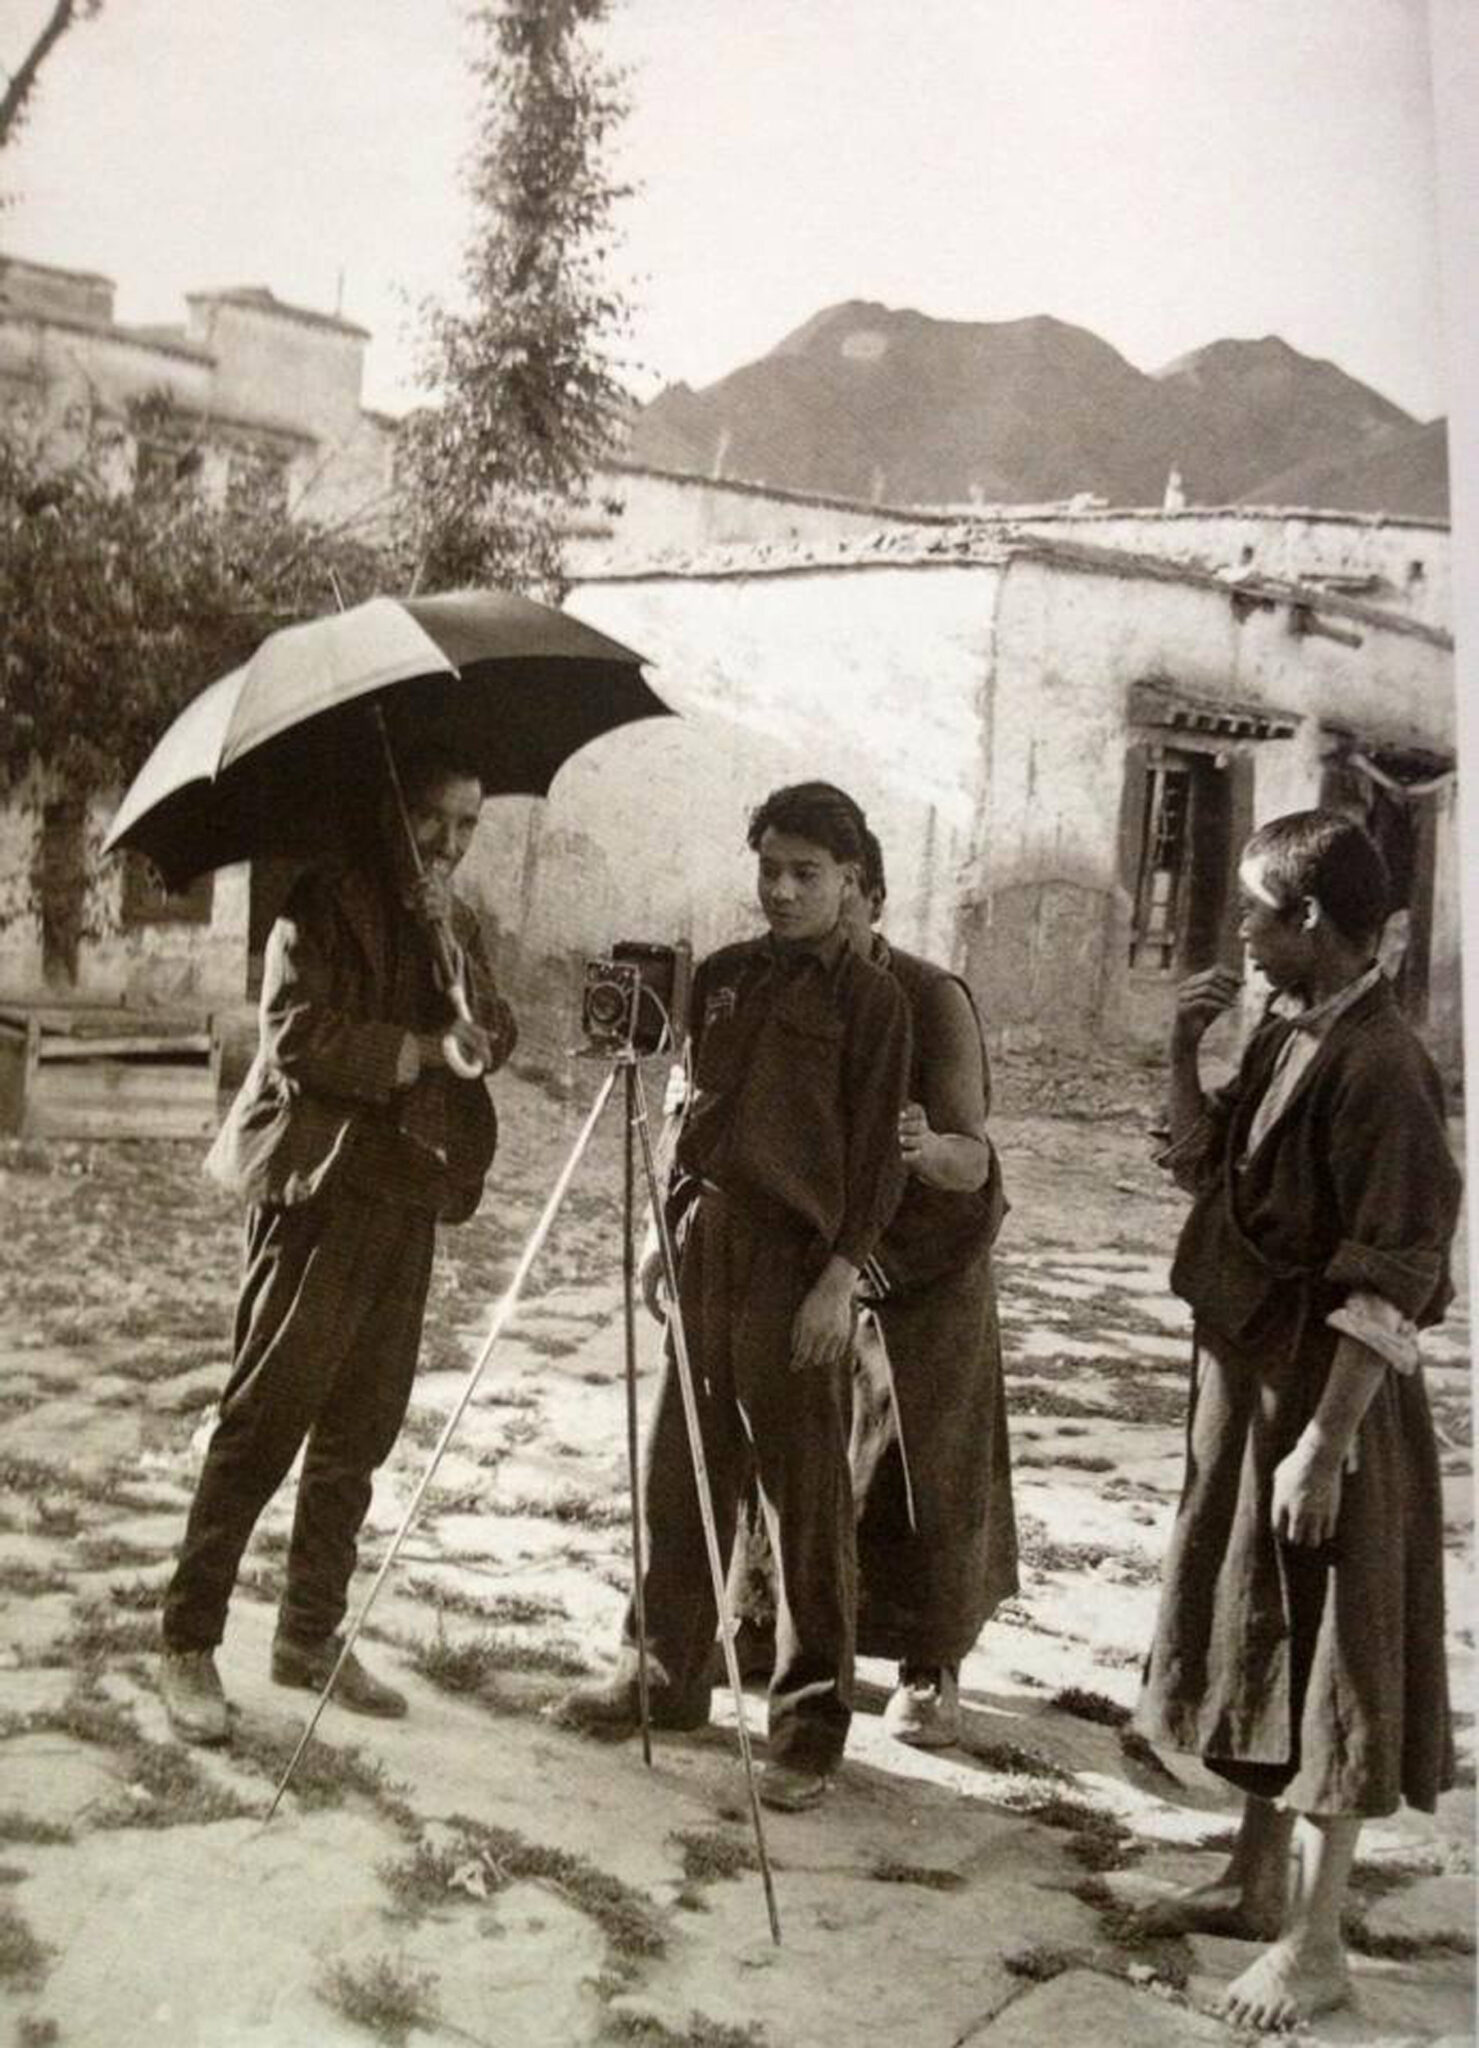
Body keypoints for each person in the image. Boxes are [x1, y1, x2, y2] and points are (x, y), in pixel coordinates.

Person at [1132, 809, 1462, 2031]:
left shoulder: (1385, 1067)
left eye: (1257, 915)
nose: (1244, 936)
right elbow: (1202, 1162)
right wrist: (1182, 1047)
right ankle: (1252, 1873)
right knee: (1258, 1617)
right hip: (1256, 1383)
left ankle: (1319, 1941)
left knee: (1337, 1649)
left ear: (1310, 923)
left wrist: (1326, 1441)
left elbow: (1396, 1279)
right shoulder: (1286, 1030)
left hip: (1334, 1407)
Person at [556, 781, 912, 1811]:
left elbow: (879, 1163)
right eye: (770, 868)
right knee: (683, 1467)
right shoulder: (723, 978)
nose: (784, 889)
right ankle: (665, 1674)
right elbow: (693, 1115)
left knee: (803, 1501)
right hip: (707, 1247)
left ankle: (807, 1727)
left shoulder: (872, 1002)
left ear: (852, 880)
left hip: (800, 1269)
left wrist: (837, 1283)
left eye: (807, 872)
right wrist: (661, 1234)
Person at [157, 751, 517, 1745]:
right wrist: (413, 1051)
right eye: (435, 822)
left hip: (404, 1189)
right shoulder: (315, 904)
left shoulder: (457, 920)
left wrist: (471, 1003)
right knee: (265, 1417)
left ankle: (308, 1633)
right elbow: (296, 1034)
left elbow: (499, 1029)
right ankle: (188, 1639)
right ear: (393, 812)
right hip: (316, 1187)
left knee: (363, 1421)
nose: (448, 845)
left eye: (468, 825)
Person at [725, 823, 1018, 1747]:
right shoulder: (784, 989)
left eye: (833, 896)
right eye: (777, 880)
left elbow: (972, 1161)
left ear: (870, 896)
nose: (807, 912)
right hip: (822, 1260)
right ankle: (774, 1629)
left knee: (910, 1465)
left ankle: (931, 1667)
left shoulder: (930, 999)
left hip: (924, 1263)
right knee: (800, 1454)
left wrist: (922, 1150)